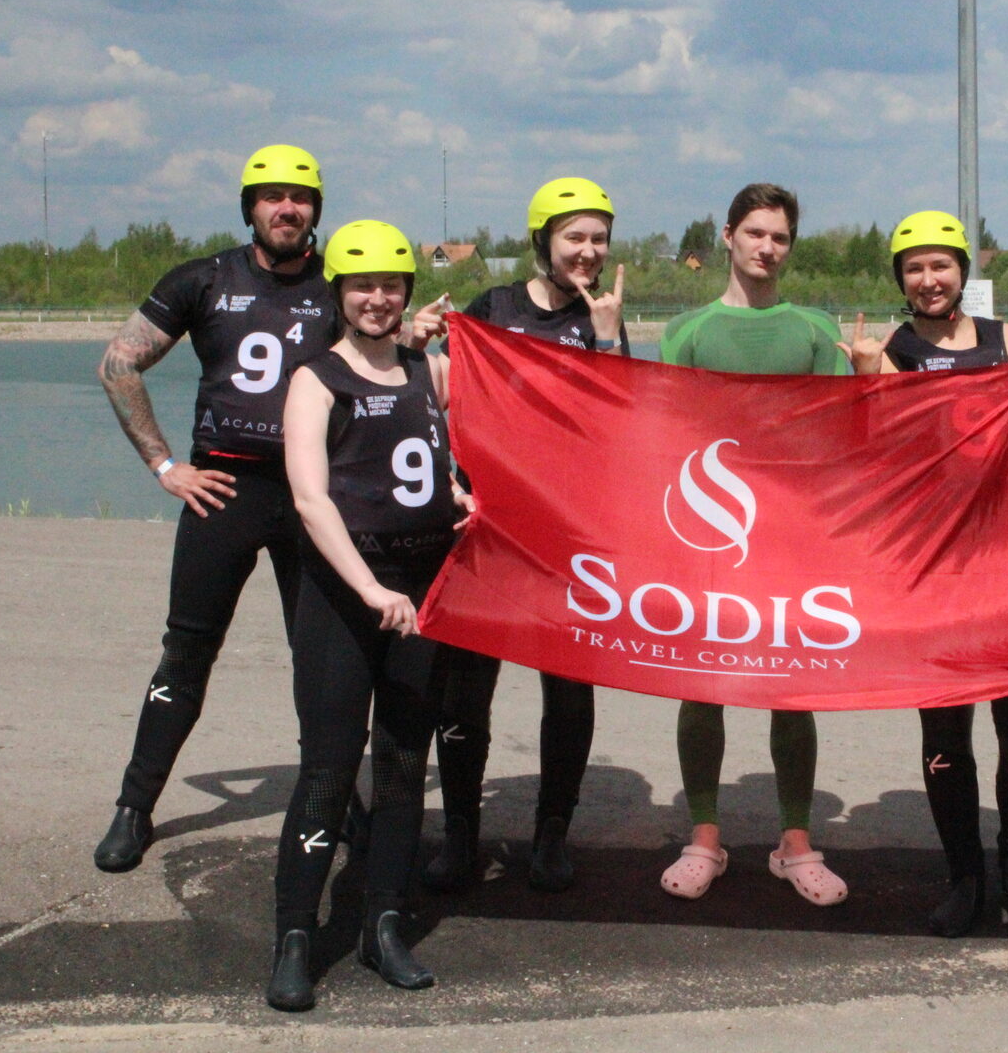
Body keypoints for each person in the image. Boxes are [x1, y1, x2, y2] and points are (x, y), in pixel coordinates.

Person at [93, 144, 340, 873]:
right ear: (249, 207)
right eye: (271, 196)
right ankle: (134, 806)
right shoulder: (204, 279)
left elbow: (392, 369)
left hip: (309, 497)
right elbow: (118, 363)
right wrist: (166, 466)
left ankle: (332, 801)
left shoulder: (341, 285)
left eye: (300, 197)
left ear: (316, 210)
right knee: (187, 649)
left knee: (321, 659)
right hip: (223, 490)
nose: (286, 208)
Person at [840, 210, 1008, 936]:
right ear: (900, 279)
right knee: (945, 725)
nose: (929, 279)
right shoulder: (892, 350)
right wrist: (866, 383)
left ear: (963, 272)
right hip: (938, 554)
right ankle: (965, 877)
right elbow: (875, 461)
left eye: (941, 265)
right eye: (914, 268)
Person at [267, 219, 470, 1011]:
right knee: (328, 768)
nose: (377, 299)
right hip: (347, 600)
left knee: (401, 763)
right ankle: (295, 934)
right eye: (362, 286)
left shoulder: (430, 371)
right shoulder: (316, 381)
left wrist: (459, 495)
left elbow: (439, 460)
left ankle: (383, 923)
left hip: (423, 594)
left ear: (406, 292)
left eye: (390, 285)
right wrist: (370, 590)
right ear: (340, 294)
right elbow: (311, 500)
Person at [416, 177, 628, 894]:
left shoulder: (602, 318)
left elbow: (619, 419)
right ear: (543, 240)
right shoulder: (495, 309)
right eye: (575, 237)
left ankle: (551, 835)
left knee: (568, 690)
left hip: (569, 533)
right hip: (489, 526)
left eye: (599, 238)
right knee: (464, 692)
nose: (588, 251)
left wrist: (607, 337)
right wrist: (412, 343)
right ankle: (461, 836)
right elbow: (437, 398)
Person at [656, 183, 848, 905]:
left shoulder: (816, 329)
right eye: (756, 233)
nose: (768, 247)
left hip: (793, 535)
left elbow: (842, 434)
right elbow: (659, 428)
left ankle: (795, 842)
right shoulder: (687, 330)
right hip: (707, 535)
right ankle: (705, 836)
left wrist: (867, 375)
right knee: (701, 683)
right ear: (728, 236)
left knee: (790, 684)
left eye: (781, 237)